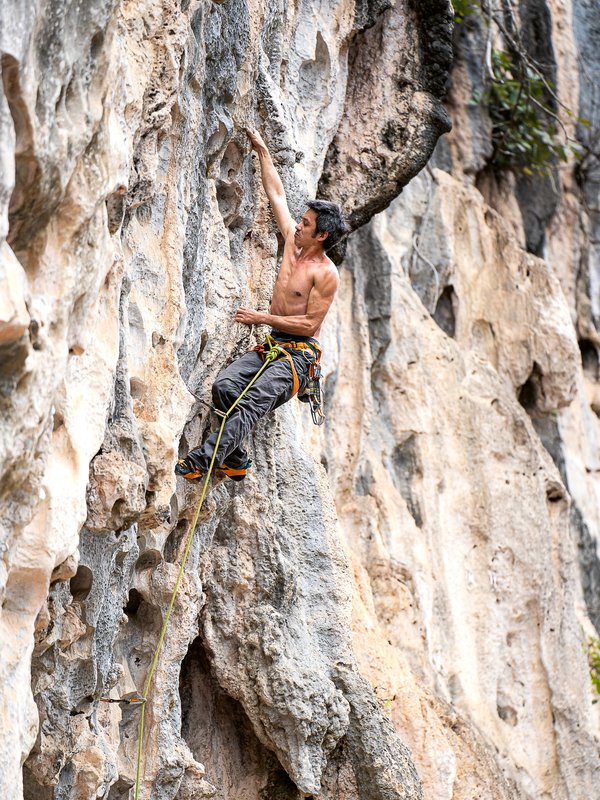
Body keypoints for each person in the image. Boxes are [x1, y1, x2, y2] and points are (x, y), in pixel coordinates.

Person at [175, 127, 349, 482]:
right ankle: (236, 460)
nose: (297, 226)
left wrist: (261, 317)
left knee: (250, 401)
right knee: (225, 388)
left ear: (322, 235)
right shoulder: (291, 242)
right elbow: (278, 195)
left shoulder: (325, 274)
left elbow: (309, 326)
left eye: (306, 224)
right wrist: (263, 151)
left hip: (299, 357)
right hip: (274, 345)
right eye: (300, 221)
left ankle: (203, 460)